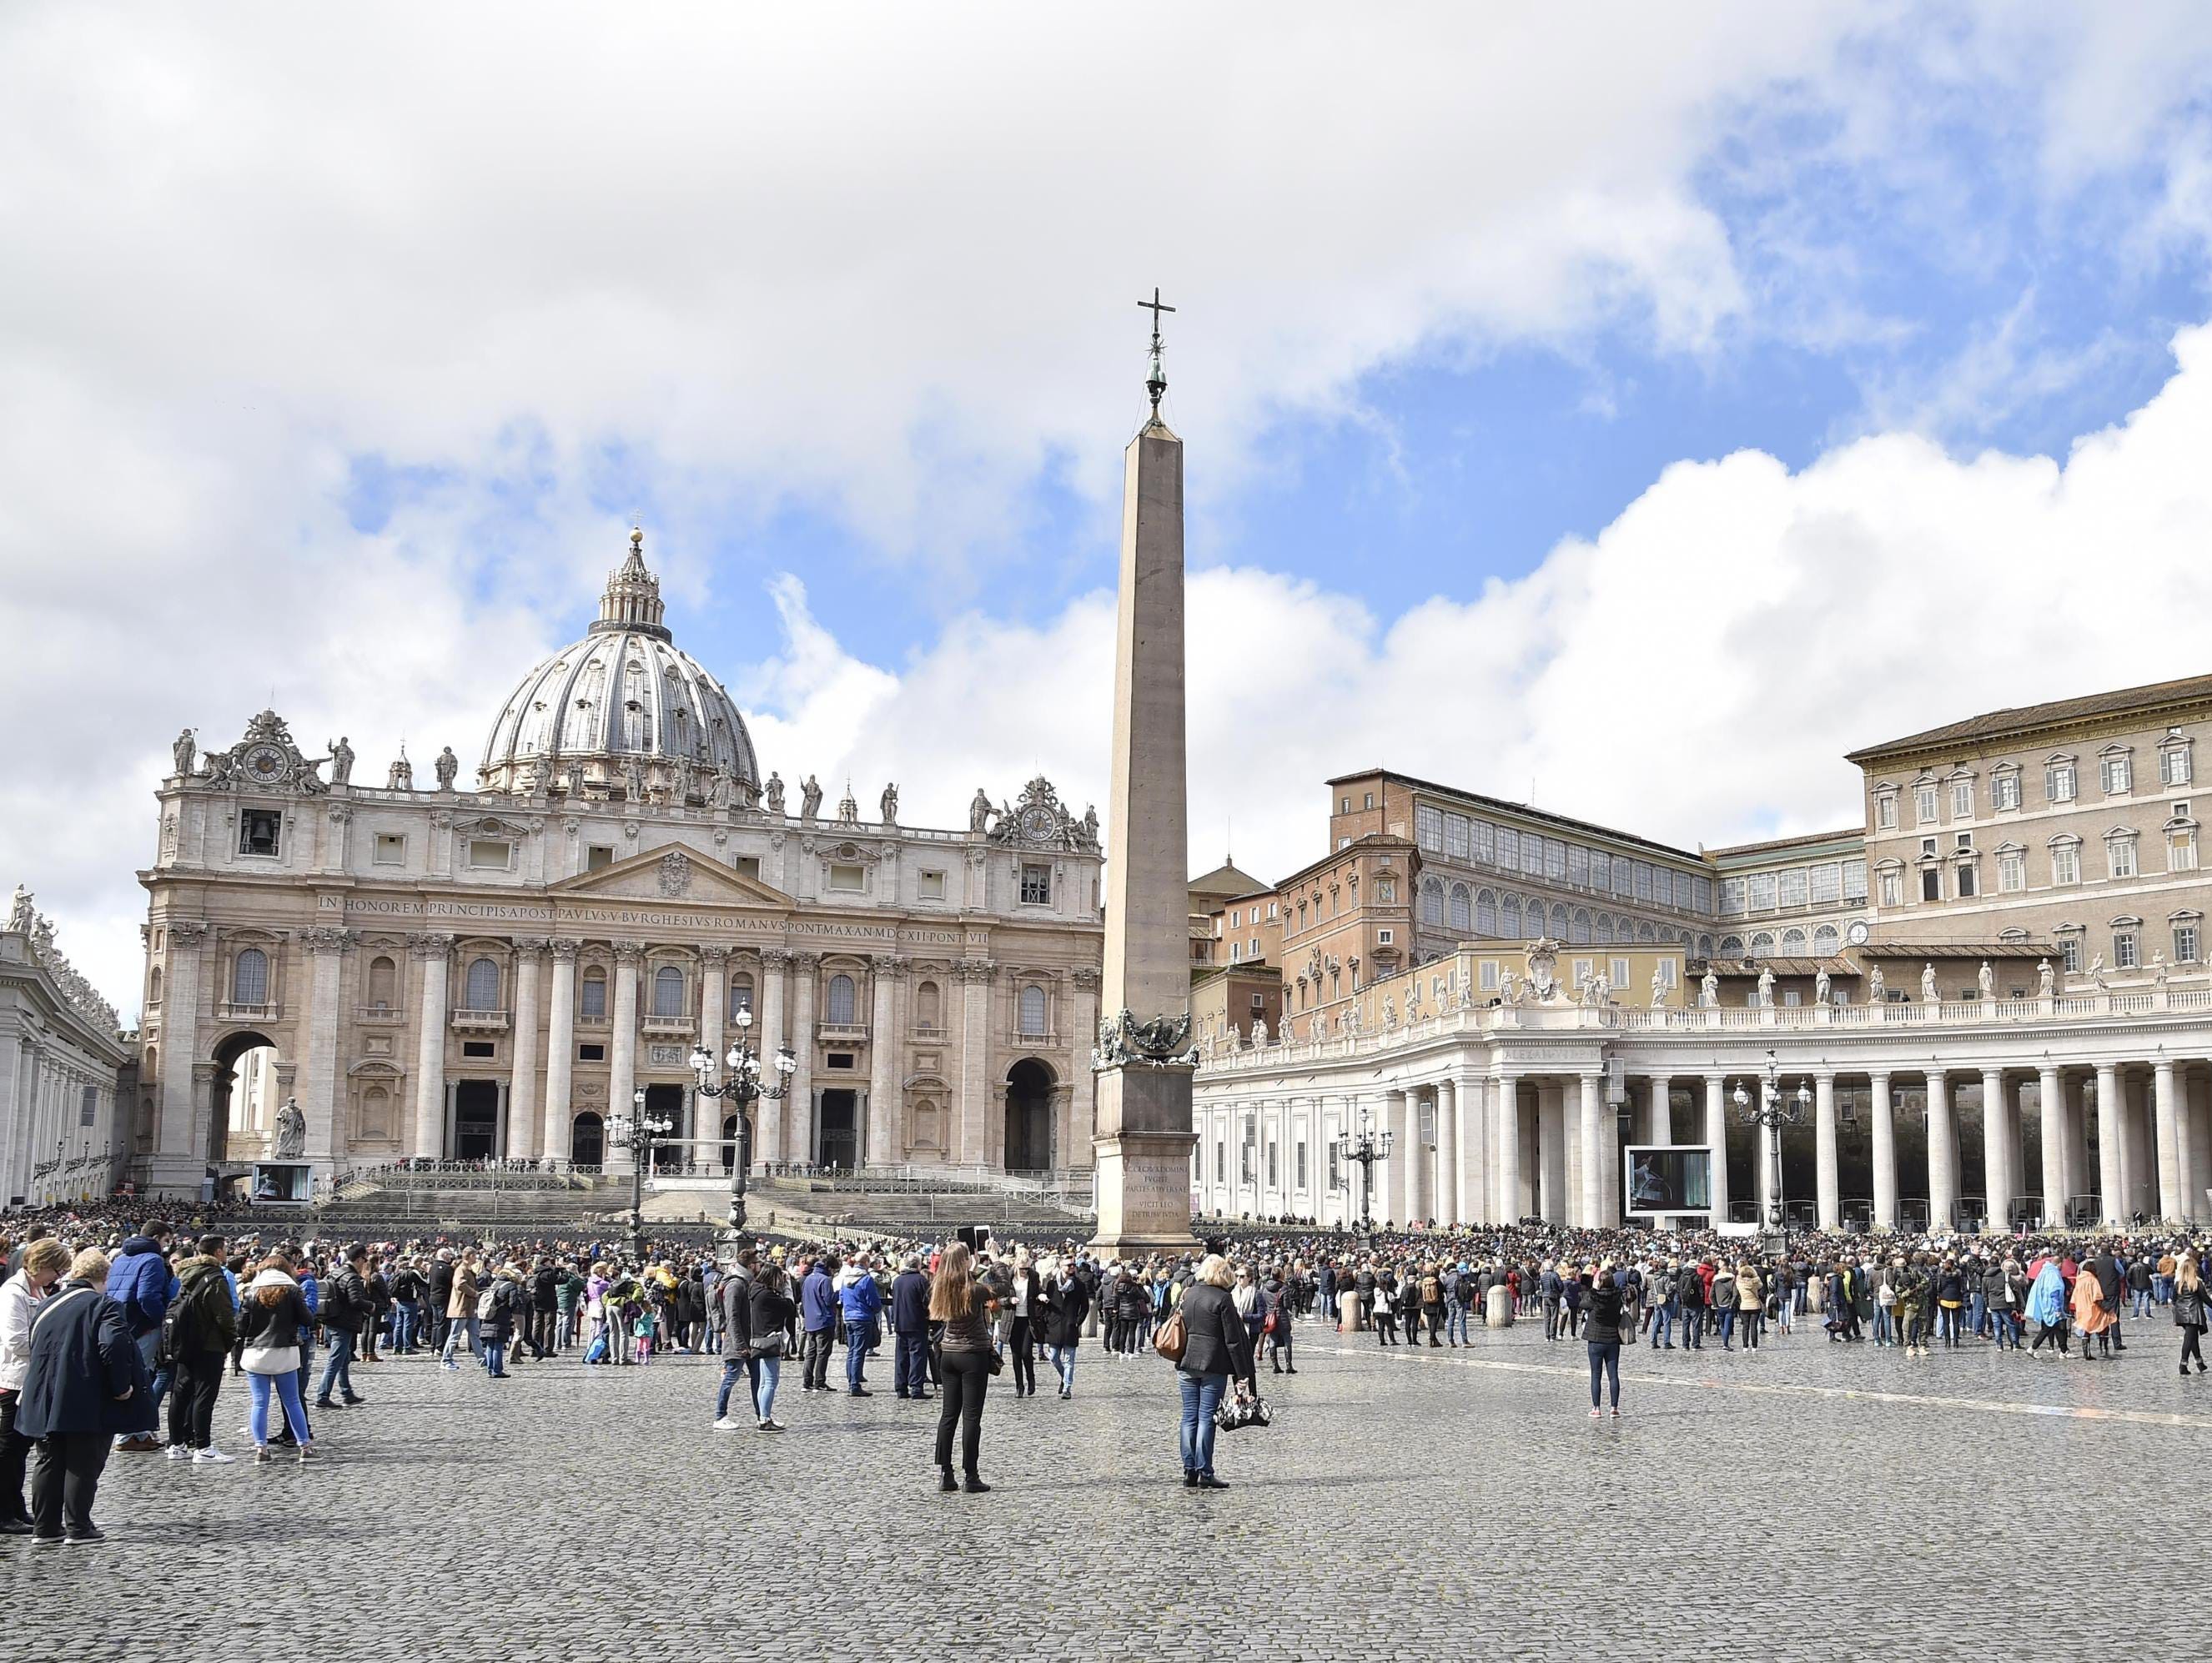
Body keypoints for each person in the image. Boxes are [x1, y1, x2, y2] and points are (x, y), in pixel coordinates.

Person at [17, 1248, 157, 1543]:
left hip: (43, 1393)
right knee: (83, 1460)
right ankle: (79, 1527)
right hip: (84, 1394)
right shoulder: (104, 1305)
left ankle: (45, 1527)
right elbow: (114, 1346)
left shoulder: (48, 1304)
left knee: (48, 1460)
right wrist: (121, 1387)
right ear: (104, 1277)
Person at [0, 1238, 73, 1533]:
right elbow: (16, 1340)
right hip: (13, 1379)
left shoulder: (38, 1290)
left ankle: (15, 1507)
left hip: (31, 1377)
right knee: (8, 1449)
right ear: (42, 1265)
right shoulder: (12, 1293)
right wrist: (51, 1346)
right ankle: (3, 1513)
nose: (58, 1277)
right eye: (57, 1270)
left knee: (19, 1450)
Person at [1173, 1254, 1255, 1490]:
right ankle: (1205, 1472)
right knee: (1207, 1418)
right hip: (1213, 1365)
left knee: (1189, 1417)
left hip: (1186, 1363)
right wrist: (1241, 1375)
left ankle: (1189, 1470)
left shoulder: (1187, 1294)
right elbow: (1233, 1341)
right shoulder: (1223, 1298)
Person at [928, 1240, 998, 1494]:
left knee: (948, 1415)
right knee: (971, 1417)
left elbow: (967, 1284)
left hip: (948, 1354)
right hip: (972, 1355)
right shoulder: (973, 1290)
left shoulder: (939, 1286)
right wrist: (995, 1259)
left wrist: (973, 1268)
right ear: (964, 1261)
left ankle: (946, 1474)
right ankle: (971, 1475)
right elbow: (1001, 1287)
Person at [163, 1234, 239, 1462]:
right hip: (209, 1343)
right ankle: (203, 1446)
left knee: (180, 1393)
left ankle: (176, 1444)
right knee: (205, 1395)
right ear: (218, 1252)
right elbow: (224, 1315)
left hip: (185, 1341)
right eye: (225, 1249)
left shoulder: (187, 1274)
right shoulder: (215, 1277)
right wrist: (230, 1341)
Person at [102, 1220, 173, 1454]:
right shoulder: (153, 1260)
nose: (166, 1246)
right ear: (156, 1238)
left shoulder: (121, 1258)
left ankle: (139, 1432)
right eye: (166, 1241)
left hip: (120, 1323)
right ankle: (127, 1435)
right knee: (139, 1379)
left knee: (131, 1376)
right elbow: (147, 1296)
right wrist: (161, 1320)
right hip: (143, 1326)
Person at [238, 1255, 316, 1462]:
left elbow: (241, 1326)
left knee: (259, 1402)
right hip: (285, 1352)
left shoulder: (251, 1291)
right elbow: (308, 1319)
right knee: (292, 1401)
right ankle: (305, 1446)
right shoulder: (293, 1291)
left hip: (256, 1352)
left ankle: (261, 1449)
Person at [314, 1244, 370, 1409]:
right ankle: (322, 1396)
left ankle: (347, 1393)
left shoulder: (335, 1272)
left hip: (330, 1321)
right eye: (364, 1260)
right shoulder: (352, 1277)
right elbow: (355, 1301)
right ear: (359, 1259)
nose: (365, 1263)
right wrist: (371, 1306)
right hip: (343, 1324)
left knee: (343, 1360)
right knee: (335, 1361)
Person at [712, 1248, 757, 1429]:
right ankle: (720, 1416)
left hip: (750, 1340)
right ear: (751, 1265)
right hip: (738, 1342)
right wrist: (740, 1344)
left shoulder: (746, 1282)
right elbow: (732, 1317)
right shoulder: (736, 1285)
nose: (760, 1266)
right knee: (730, 1378)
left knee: (758, 1378)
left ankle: (763, 1415)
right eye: (758, 1263)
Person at [748, 1262, 795, 1429]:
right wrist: (788, 1287)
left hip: (759, 1338)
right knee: (770, 1382)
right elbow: (789, 1306)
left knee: (763, 1382)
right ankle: (765, 1419)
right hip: (770, 1339)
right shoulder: (767, 1295)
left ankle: (763, 1415)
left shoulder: (756, 1291)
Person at [1583, 1259, 1627, 1419]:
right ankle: (1614, 1408)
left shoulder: (1594, 1297)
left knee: (1596, 1375)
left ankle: (1596, 1408)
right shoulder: (1617, 1297)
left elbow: (1583, 1304)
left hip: (1595, 1338)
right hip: (1613, 1339)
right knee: (1613, 1374)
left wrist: (1594, 1289)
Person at [1041, 1255, 1089, 1399]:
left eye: (1073, 1265)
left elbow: (1085, 1306)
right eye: (1069, 1265)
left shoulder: (1079, 1285)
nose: (1072, 1267)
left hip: (1070, 1326)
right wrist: (1047, 1318)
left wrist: (1077, 1322)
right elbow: (1046, 1305)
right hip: (1054, 1326)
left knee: (1069, 1360)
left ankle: (1067, 1388)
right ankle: (1064, 1376)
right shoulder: (1052, 1284)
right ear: (1061, 1266)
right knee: (1053, 1357)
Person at [837, 1250, 883, 1397]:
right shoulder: (866, 1279)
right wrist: (876, 1309)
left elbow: (841, 1298)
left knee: (852, 1351)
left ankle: (851, 1379)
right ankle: (854, 1385)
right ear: (866, 1263)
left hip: (848, 1317)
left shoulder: (845, 1278)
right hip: (862, 1317)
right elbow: (873, 1301)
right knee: (859, 1352)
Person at [890, 1254, 933, 1401]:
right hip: (917, 1322)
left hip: (900, 1322)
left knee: (901, 1357)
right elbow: (927, 1302)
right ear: (918, 1265)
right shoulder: (921, 1280)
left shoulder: (897, 1281)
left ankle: (901, 1387)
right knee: (917, 1356)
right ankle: (916, 1387)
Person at [1003, 1253, 1039, 1399]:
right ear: (1016, 1266)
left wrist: (1040, 1296)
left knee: (1026, 1352)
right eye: (1022, 1268)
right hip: (1013, 1319)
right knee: (1015, 1354)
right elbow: (1000, 1299)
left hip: (1028, 1319)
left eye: (1027, 1268)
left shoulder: (1034, 1277)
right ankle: (1019, 1385)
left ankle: (1031, 1379)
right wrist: (1009, 1300)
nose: (1025, 1271)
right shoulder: (1008, 1278)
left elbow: (1038, 1292)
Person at [2174, 1252, 2208, 1377]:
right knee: (2189, 1339)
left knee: (2193, 1338)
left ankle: (2200, 1362)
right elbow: (2205, 1298)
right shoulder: (2197, 1283)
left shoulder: (2178, 1283)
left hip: (2181, 1313)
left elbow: (2174, 1299)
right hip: (2193, 1313)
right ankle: (2183, 1364)